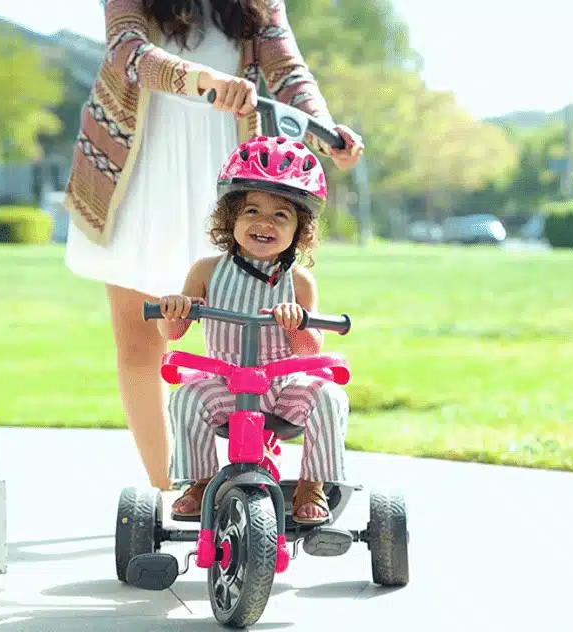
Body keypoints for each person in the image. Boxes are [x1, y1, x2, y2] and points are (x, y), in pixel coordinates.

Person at [61, 0, 364, 491]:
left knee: (236, 330)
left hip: (222, 171)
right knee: (142, 341)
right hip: (134, 170)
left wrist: (323, 130)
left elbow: (286, 67)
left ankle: (248, 474)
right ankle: (171, 489)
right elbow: (128, 51)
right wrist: (202, 82)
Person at [158, 135, 347, 524]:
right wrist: (176, 308)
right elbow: (173, 331)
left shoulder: (300, 281)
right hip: (225, 381)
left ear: (300, 229)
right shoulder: (207, 271)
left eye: (281, 215)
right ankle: (201, 480)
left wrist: (297, 323)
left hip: (282, 385)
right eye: (251, 211)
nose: (264, 223)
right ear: (231, 218)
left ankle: (313, 484)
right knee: (185, 399)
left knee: (329, 397)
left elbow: (310, 351)